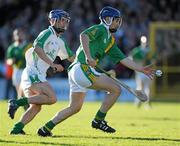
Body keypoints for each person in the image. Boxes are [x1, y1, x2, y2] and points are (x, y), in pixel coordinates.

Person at [37, 6, 154, 136]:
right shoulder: (100, 29)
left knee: (74, 107)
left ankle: (45, 129)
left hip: (76, 72)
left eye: (119, 20)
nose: (118, 23)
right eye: (116, 20)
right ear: (107, 19)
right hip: (82, 68)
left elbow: (123, 59)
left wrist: (141, 69)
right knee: (116, 89)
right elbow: (84, 36)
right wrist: (89, 57)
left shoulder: (110, 40)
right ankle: (98, 120)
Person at [8, 9, 75, 135]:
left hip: (37, 75)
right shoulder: (47, 33)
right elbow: (37, 48)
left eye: (66, 21)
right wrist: (53, 64)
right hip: (32, 73)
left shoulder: (59, 41)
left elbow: (72, 58)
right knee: (52, 98)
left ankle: (16, 129)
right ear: (53, 20)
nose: (65, 23)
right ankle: (16, 102)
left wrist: (87, 59)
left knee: (36, 107)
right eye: (62, 20)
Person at [129, 35, 156, 108]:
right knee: (146, 88)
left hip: (141, 71)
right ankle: (146, 103)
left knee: (141, 87)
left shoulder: (137, 50)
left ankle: (140, 102)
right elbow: (154, 61)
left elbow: (130, 58)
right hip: (146, 71)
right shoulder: (149, 51)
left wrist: (136, 66)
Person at [6, 28, 32, 99]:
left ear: (24, 35)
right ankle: (22, 104)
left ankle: (26, 103)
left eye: (20, 34)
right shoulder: (12, 48)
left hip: (27, 71)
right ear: (14, 36)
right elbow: (8, 60)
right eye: (17, 34)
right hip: (17, 70)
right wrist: (11, 61)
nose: (19, 36)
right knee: (18, 91)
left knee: (25, 89)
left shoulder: (29, 46)